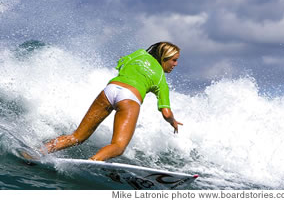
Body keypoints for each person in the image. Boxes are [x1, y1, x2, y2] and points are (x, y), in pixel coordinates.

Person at [43, 42, 183, 161]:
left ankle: (38, 151)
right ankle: (93, 161)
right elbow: (166, 113)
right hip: (129, 98)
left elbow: (121, 62)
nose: (176, 64)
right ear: (164, 58)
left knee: (76, 137)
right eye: (174, 60)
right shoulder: (161, 80)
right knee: (118, 146)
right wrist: (173, 122)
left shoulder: (139, 54)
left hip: (109, 90)